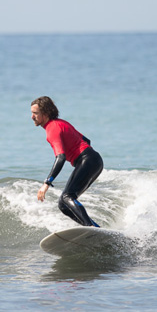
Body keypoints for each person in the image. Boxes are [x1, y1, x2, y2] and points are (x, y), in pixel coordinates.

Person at [31, 96, 103, 227]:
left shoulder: (52, 128)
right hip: (94, 160)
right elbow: (86, 141)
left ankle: (91, 227)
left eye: (35, 113)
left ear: (45, 114)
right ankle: (95, 228)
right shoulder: (61, 123)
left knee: (67, 197)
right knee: (63, 205)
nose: (32, 117)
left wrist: (47, 183)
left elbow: (61, 157)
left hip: (87, 160)